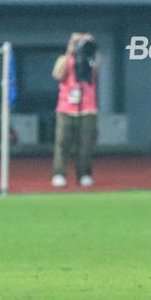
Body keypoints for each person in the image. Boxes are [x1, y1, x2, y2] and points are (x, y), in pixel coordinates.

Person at [51, 32, 99, 188]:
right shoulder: (64, 59)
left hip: (87, 108)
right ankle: (59, 174)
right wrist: (69, 50)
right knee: (62, 143)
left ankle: (84, 174)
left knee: (86, 144)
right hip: (66, 108)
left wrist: (91, 45)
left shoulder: (91, 59)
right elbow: (58, 75)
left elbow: (97, 65)